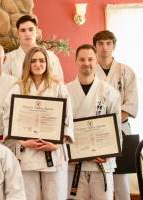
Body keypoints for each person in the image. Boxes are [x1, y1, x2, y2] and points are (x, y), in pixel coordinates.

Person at [2, 47, 74, 200]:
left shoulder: (58, 87)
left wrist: (58, 144)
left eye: (41, 60)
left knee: (56, 196)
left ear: (47, 63)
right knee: (29, 196)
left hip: (54, 151)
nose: (38, 64)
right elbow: (8, 116)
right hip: (27, 152)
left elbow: (68, 117)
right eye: (33, 61)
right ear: (28, 64)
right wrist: (23, 141)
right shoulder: (18, 88)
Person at [66, 44, 121, 200]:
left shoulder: (109, 92)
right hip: (75, 164)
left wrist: (110, 152)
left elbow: (116, 127)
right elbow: (62, 128)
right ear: (76, 61)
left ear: (96, 61)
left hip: (102, 163)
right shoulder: (65, 91)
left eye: (90, 59)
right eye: (82, 59)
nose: (86, 63)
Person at [93, 30, 138, 200]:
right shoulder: (90, 70)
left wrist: (109, 125)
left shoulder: (126, 71)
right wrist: (101, 126)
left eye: (108, 43)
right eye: (100, 43)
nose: (104, 47)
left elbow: (130, 105)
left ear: (114, 46)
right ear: (95, 46)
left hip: (120, 129)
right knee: (99, 181)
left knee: (122, 181)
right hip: (96, 133)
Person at [3, 15, 64, 81]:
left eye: (31, 29)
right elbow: (5, 86)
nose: (27, 34)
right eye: (23, 30)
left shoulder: (51, 57)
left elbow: (59, 85)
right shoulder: (8, 58)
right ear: (18, 33)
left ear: (36, 32)